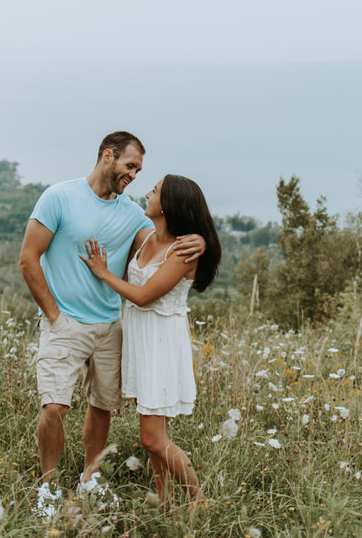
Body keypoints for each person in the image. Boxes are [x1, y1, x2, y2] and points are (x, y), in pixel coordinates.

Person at [18, 131, 205, 517]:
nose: (134, 176)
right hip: (64, 323)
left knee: (102, 406)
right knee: (54, 407)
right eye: (129, 166)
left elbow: (163, 243)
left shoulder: (133, 214)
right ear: (108, 156)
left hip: (111, 327)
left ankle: (90, 479)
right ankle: (49, 487)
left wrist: (201, 240)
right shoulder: (60, 197)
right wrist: (53, 315)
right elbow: (28, 258)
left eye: (140, 171)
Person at [79, 174, 221, 512]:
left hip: (162, 345)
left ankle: (200, 501)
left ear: (169, 205)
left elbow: (143, 297)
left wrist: (102, 272)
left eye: (154, 191)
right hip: (142, 343)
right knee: (154, 434)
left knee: (152, 437)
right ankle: (165, 501)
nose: (146, 193)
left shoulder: (182, 251)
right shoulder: (146, 238)